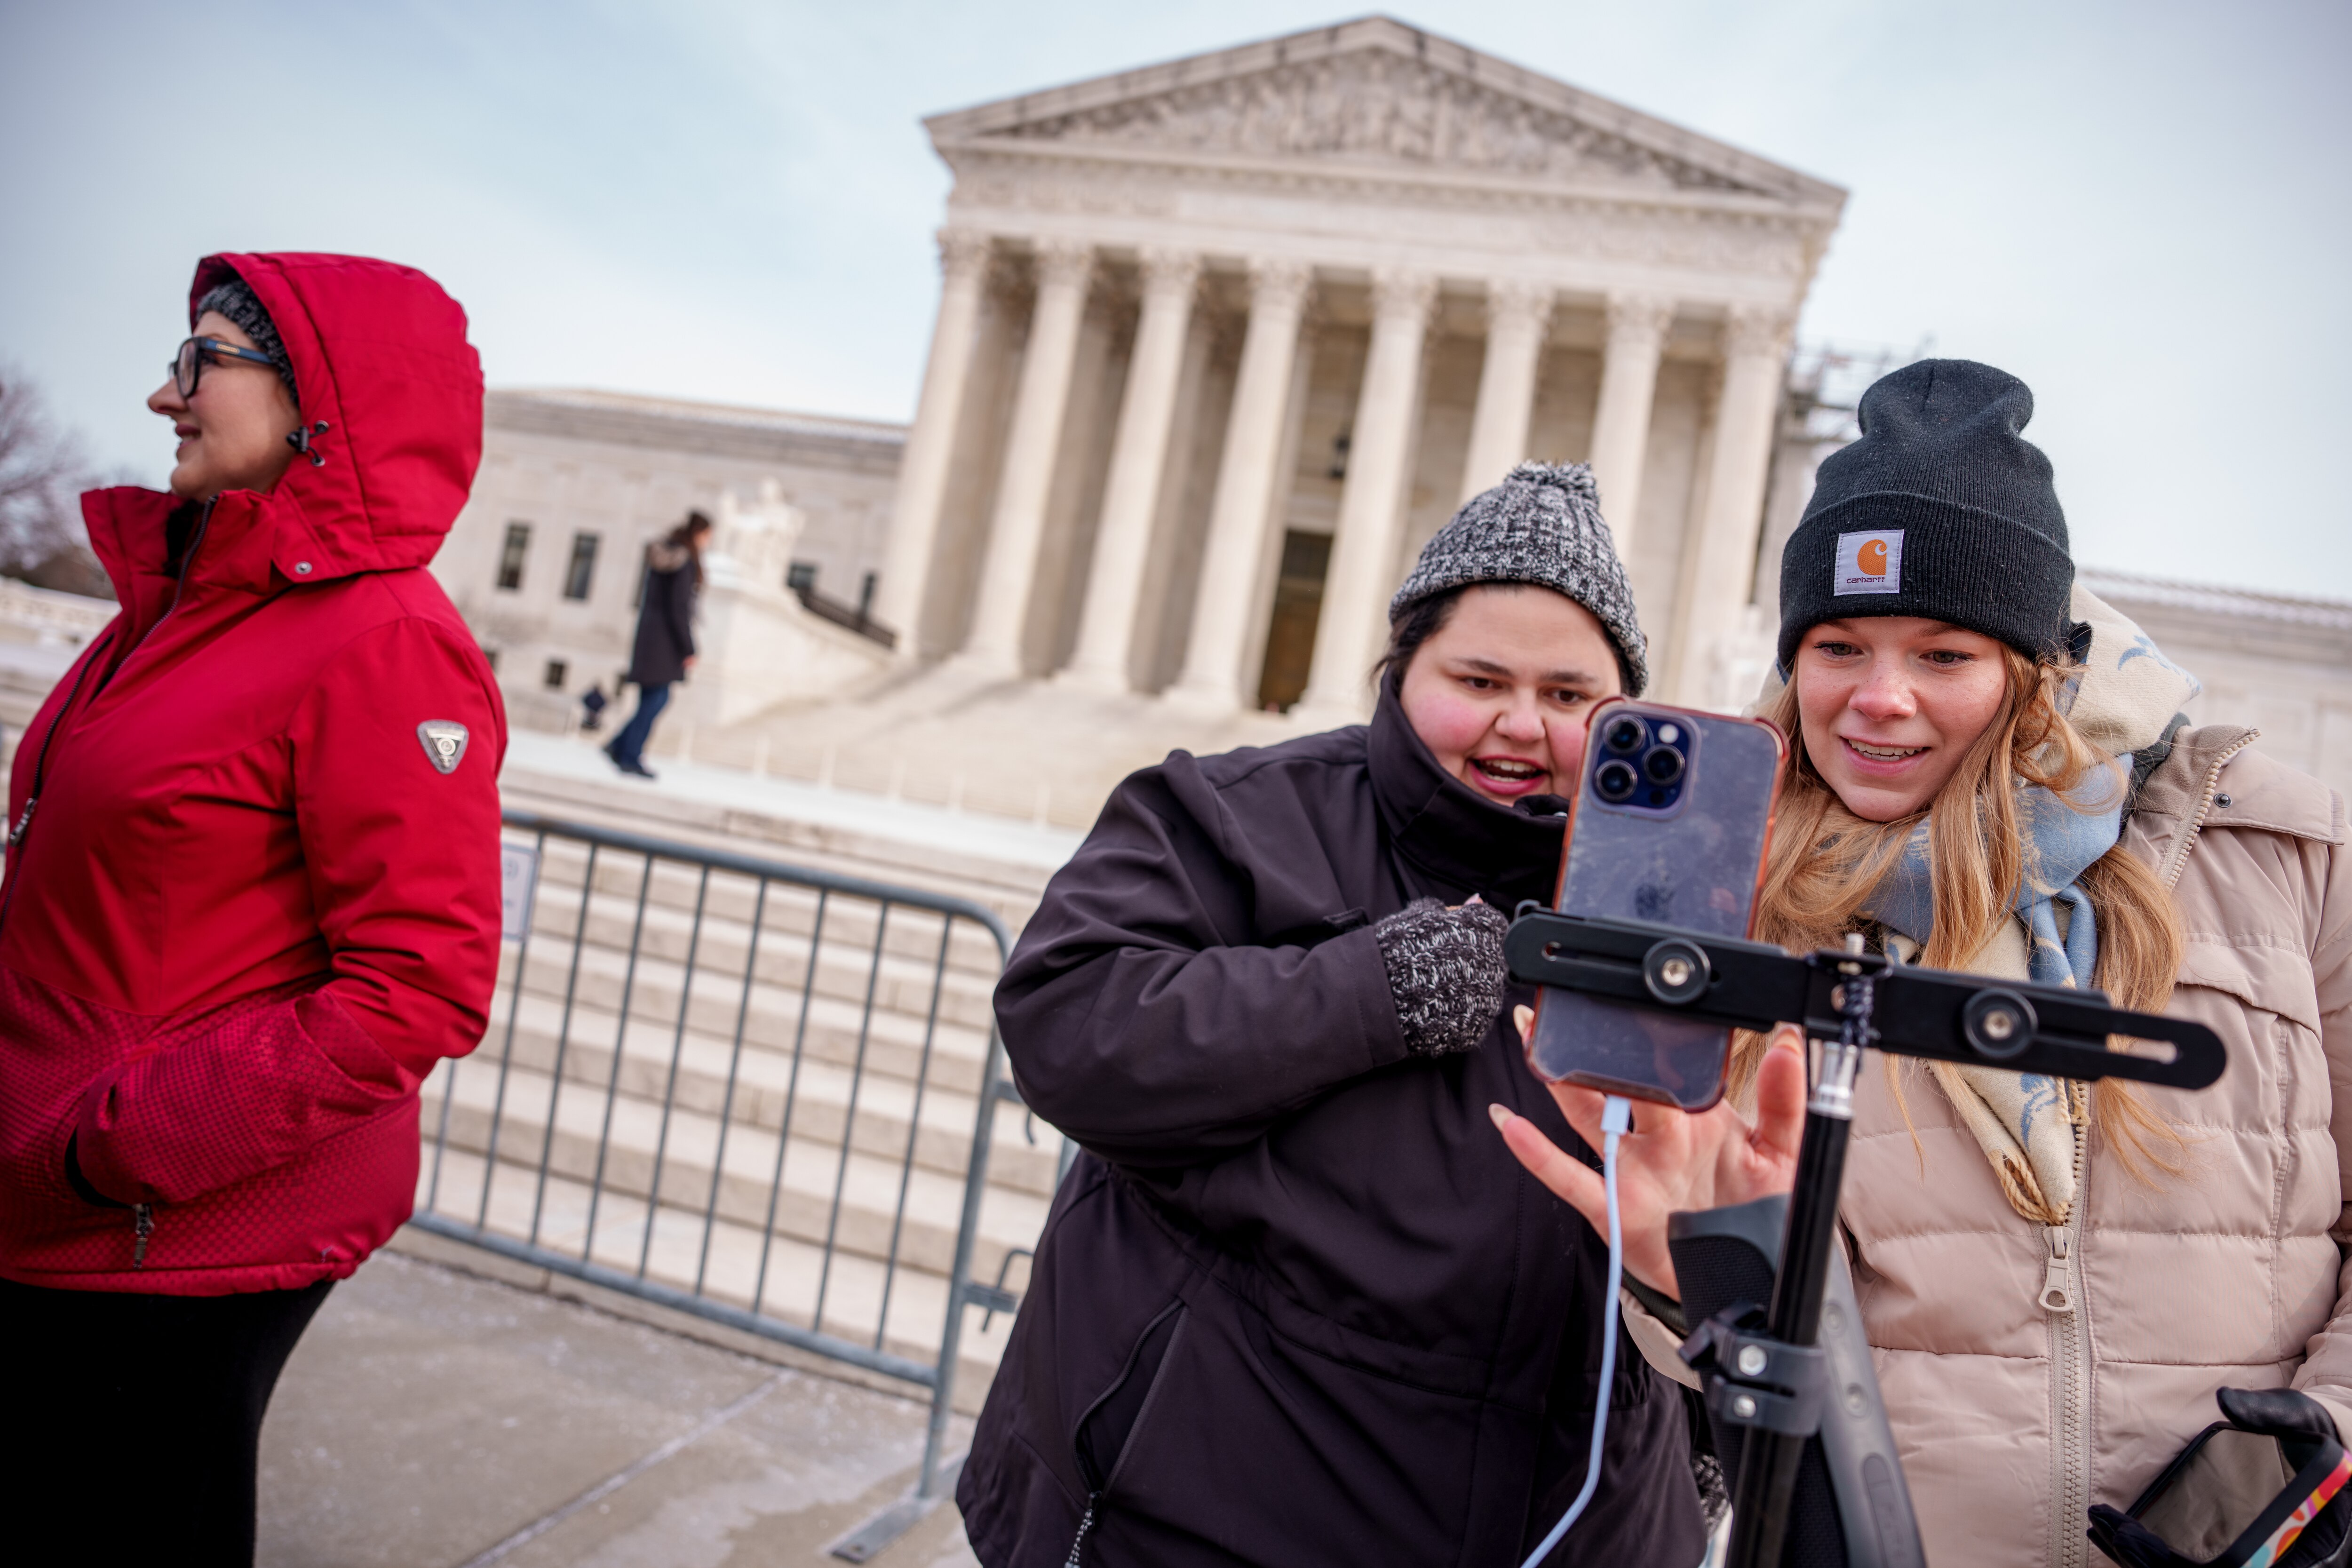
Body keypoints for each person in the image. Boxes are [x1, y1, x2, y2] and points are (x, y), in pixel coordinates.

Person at [1494, 361, 2352, 1567]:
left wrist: (2334, 1446)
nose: (1877, 701)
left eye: (1943, 653)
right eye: (1838, 644)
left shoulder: (2278, 853)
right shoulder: (1735, 897)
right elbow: (1742, 1327)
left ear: (2033, 672)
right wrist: (1687, 1280)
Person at [959, 465, 1712, 1566]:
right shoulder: (1234, 815)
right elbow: (1068, 1023)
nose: (1520, 724)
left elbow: (1712, 1188)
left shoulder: (1668, 904)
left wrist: (1693, 1408)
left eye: (1567, 695)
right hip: (1204, 1510)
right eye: (1481, 677)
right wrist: (1370, 990)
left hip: (1555, 1528)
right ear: (1401, 667)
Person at [0, 253, 505, 1563]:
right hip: (56, 1168)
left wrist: (107, 1146)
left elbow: (418, 985)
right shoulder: (188, 601)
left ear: (314, 401)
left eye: (201, 359)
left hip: (168, 1213)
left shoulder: (384, 640)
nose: (164, 394)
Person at [604, 511, 711, 778]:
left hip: (650, 637)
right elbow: (679, 609)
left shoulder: (663, 559)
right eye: (708, 537)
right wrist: (688, 648)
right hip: (666, 643)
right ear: (699, 535)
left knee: (651, 699)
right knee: (658, 699)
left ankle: (621, 748)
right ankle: (627, 752)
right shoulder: (684, 564)